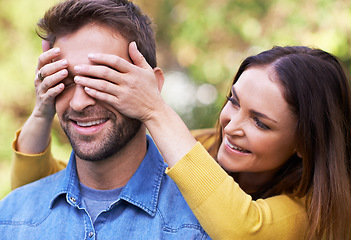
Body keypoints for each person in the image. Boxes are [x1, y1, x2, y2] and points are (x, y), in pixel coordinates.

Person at [10, 43, 351, 239]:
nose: (231, 126)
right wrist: (43, 109)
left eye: (261, 123)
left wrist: (153, 109)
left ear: (304, 144)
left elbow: (242, 229)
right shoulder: (198, 148)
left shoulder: (312, 211)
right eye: (234, 102)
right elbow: (43, 193)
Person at [0, 0, 211, 239]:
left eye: (103, 80)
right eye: (65, 82)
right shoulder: (9, 218)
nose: (79, 103)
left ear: (154, 86)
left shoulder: (203, 226)